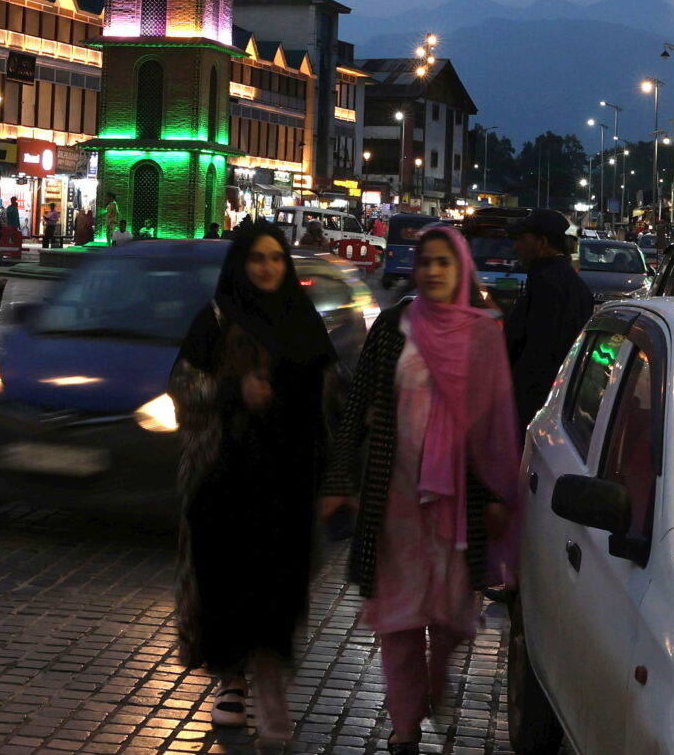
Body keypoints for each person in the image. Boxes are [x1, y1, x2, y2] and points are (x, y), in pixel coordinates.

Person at [320, 226, 521, 753]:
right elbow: (357, 407)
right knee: (399, 619)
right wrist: (339, 480)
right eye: (425, 261)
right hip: (395, 500)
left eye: (443, 262)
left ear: (461, 270)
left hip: (461, 502)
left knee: (451, 617)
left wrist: (498, 493)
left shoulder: (482, 335)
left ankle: (437, 675)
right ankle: (405, 726)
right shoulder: (394, 327)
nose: (432, 271)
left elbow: (497, 423)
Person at [170, 222, 339, 750]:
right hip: (225, 476)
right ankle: (232, 681)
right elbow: (181, 387)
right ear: (240, 265)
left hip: (288, 477)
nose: (267, 268)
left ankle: (269, 686)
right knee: (227, 580)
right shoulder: (216, 319)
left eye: (276, 258)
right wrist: (233, 390)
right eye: (256, 259)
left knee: (278, 582)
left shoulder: (302, 320)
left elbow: (329, 399)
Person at [501, 208, 594, 434]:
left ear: (541, 242)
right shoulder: (573, 285)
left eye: (522, 240)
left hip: (535, 408)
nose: (516, 247)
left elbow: (538, 355)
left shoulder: (547, 286)